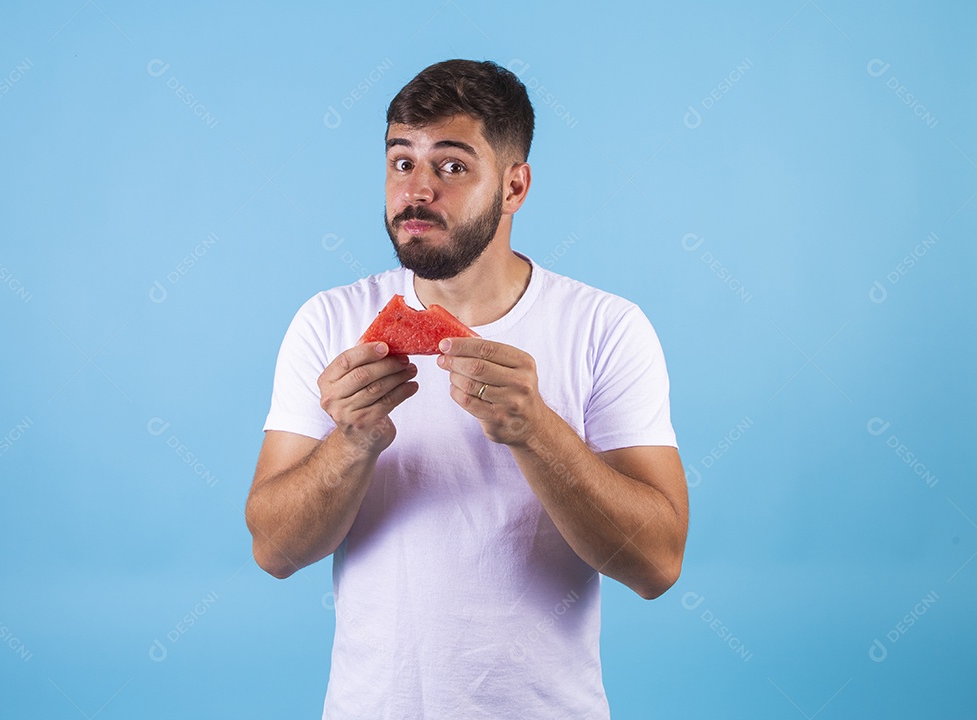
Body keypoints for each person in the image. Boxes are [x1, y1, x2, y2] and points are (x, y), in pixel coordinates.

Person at [245, 58, 688, 719]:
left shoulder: (607, 328)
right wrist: (354, 441)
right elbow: (274, 551)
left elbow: (655, 565)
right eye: (402, 162)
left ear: (514, 187)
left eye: (451, 166)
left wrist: (535, 430)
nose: (417, 190)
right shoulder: (329, 322)